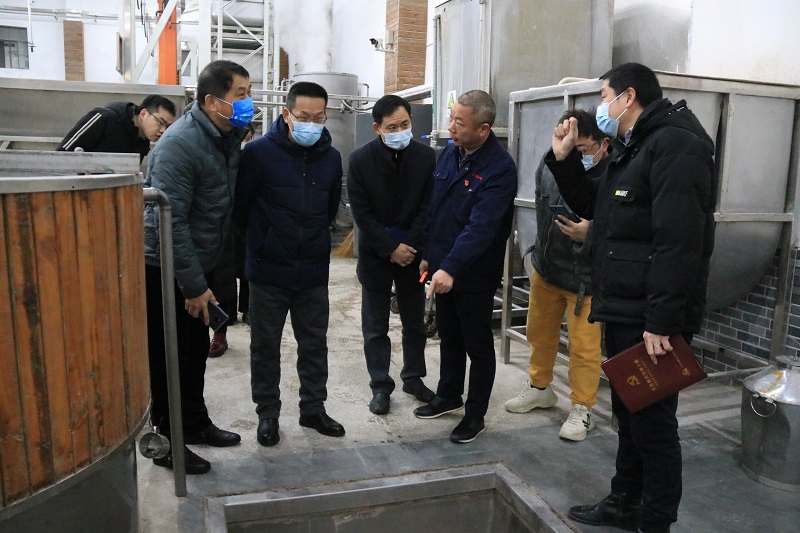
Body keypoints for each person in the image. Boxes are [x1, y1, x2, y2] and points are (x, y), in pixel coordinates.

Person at [546, 63, 715, 533]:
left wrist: (662, 320)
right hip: (626, 304)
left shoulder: (677, 144)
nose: (601, 106)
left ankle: (654, 521)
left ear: (628, 96)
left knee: (653, 425)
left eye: (604, 96)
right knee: (629, 411)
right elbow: (596, 207)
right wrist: (563, 158)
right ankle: (624, 502)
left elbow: (679, 241)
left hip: (649, 315)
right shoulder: (637, 145)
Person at [144, 59, 254, 475]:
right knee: (169, 357)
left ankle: (193, 422)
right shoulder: (180, 144)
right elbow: (169, 222)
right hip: (165, 267)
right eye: (241, 94)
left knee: (194, 352)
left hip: (199, 262)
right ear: (212, 101)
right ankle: (167, 441)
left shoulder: (225, 137)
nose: (248, 101)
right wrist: (192, 285)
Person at [235, 81, 344, 448]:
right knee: (265, 345)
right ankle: (267, 413)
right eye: (303, 117)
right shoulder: (258, 154)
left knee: (314, 344)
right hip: (268, 270)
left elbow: (329, 209)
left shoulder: (331, 158)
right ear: (286, 114)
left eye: (319, 117)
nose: (311, 123)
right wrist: (262, 245)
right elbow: (242, 209)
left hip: (312, 270)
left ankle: (313, 408)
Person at [413, 90, 517, 444]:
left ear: (483, 129)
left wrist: (452, 268)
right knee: (449, 335)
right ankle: (449, 395)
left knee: (477, 343)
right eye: (451, 118)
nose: (451, 126)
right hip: (442, 265)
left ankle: (475, 414)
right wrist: (429, 254)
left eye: (460, 122)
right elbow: (435, 208)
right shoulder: (450, 154)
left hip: (474, 273)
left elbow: (482, 227)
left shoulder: (500, 168)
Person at [504, 109, 610, 442]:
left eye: (581, 150)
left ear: (603, 144)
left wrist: (591, 233)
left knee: (584, 349)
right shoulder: (551, 163)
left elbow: (628, 225)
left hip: (586, 279)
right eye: (568, 148)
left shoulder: (616, 173)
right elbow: (541, 206)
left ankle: (583, 407)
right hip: (548, 268)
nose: (573, 156)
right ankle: (539, 387)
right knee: (539, 334)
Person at [347, 95, 437, 415]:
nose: (400, 131)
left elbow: (428, 207)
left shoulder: (426, 157)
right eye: (392, 127)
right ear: (378, 128)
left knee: (414, 322)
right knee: (375, 325)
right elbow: (362, 213)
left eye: (405, 124)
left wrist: (409, 247)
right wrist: (389, 248)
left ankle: (413, 378)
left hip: (413, 255)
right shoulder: (360, 160)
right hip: (376, 255)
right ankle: (380, 385)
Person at [58, 94, 176, 162]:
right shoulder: (105, 118)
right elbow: (61, 156)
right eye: (160, 122)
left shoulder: (142, 141)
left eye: (167, 126)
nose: (163, 130)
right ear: (143, 114)